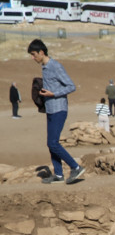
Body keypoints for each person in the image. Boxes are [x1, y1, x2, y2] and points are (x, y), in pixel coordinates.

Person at [28, 39, 85, 184]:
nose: (32, 58)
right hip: (50, 109)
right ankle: (59, 174)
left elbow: (71, 86)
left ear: (41, 52)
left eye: (34, 54)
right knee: (50, 143)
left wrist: (53, 94)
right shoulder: (45, 67)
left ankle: (76, 167)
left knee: (53, 143)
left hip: (59, 109)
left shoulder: (55, 66)